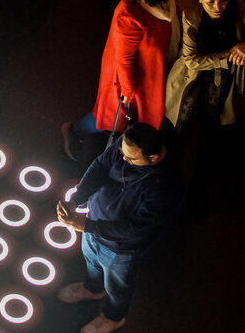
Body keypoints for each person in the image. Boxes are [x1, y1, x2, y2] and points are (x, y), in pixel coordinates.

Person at [56, 122, 181, 333]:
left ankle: (114, 317)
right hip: (94, 225)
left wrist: (88, 225)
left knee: (117, 288)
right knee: (92, 263)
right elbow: (100, 165)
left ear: (152, 158)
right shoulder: (129, 144)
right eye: (122, 152)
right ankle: (93, 289)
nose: (123, 159)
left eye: (130, 159)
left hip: (120, 248)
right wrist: (78, 198)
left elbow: (136, 228)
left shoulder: (166, 187)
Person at [64, 0, 179, 159]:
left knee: (117, 118)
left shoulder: (160, 3)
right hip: (129, 80)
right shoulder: (129, 15)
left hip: (146, 77)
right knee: (109, 118)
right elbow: (124, 60)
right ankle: (74, 131)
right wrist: (128, 90)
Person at [164, 0, 244, 220]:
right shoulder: (191, 16)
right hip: (190, 84)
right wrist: (229, 54)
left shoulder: (238, 18)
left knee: (210, 140)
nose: (217, 7)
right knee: (177, 134)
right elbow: (191, 61)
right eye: (210, 2)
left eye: (223, 1)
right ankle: (167, 191)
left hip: (220, 87)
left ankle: (197, 193)